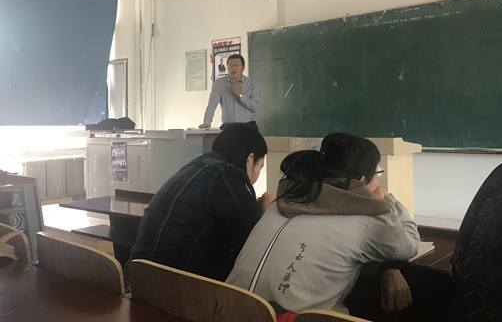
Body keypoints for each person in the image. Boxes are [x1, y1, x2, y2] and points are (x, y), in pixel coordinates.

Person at [226, 132, 420, 315]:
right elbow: (409, 245)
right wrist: (387, 201)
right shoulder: (369, 218)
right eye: (377, 173)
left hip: (224, 309)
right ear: (362, 180)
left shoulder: (282, 201)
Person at [127, 123, 274, 281]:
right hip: (169, 286)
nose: (257, 175)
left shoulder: (200, 165)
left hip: (137, 278)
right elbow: (253, 243)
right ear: (250, 160)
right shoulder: (228, 175)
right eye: (260, 167)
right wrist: (264, 210)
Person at [199, 54, 260, 130]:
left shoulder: (252, 83)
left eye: (236, 65)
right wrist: (207, 122)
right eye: (230, 65)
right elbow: (211, 105)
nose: (233, 68)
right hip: (228, 126)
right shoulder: (219, 83)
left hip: (248, 126)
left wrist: (240, 96)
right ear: (227, 67)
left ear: (243, 68)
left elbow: (255, 108)